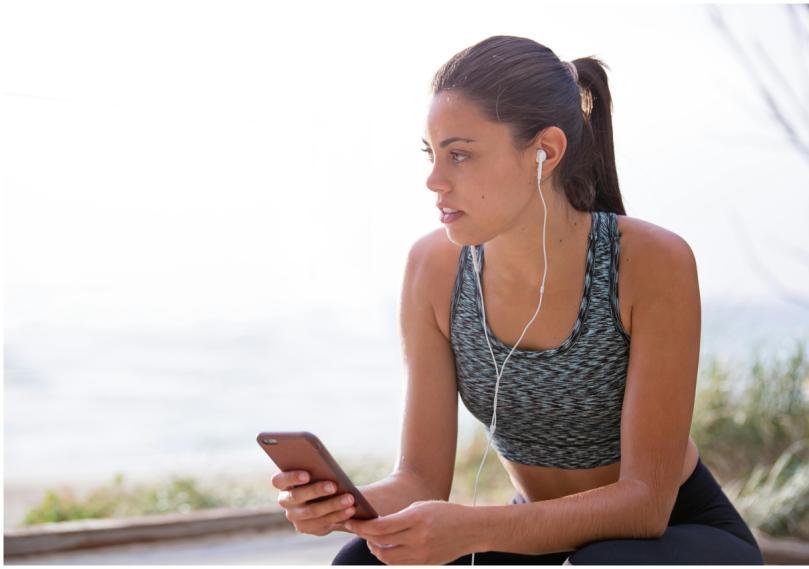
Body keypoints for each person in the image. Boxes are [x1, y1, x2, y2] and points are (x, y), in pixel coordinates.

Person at [272, 34, 765, 565]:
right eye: (431, 154)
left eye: (459, 154)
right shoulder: (432, 270)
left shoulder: (649, 262)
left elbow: (644, 506)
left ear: (545, 152)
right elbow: (420, 479)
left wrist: (475, 529)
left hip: (671, 534)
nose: (434, 180)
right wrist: (346, 505)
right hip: (538, 536)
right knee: (363, 559)